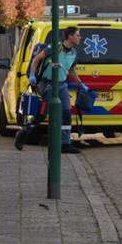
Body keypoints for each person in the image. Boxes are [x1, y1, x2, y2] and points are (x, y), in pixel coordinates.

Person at [29, 26, 91, 154]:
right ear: (70, 36)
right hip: (48, 84)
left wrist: (80, 84)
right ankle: (24, 133)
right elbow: (37, 59)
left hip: (62, 85)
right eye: (78, 35)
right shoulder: (55, 47)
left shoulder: (74, 53)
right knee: (45, 115)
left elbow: (71, 71)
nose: (80, 38)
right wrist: (32, 74)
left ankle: (65, 144)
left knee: (66, 114)